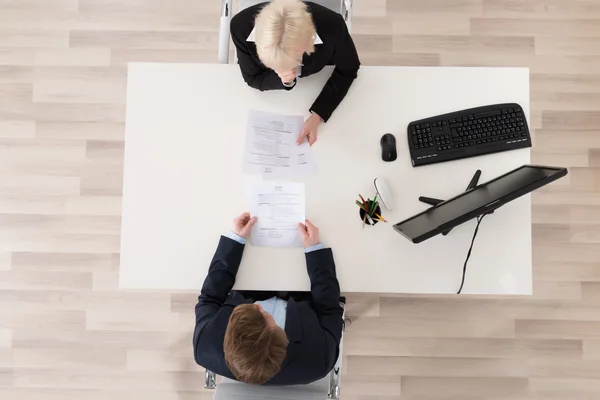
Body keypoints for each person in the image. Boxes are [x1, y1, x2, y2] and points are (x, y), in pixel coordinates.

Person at [193, 212, 343, 385]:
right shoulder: (320, 359)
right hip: (302, 297)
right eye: (265, 316)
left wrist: (236, 239)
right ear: (283, 338)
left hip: (249, 288)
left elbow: (210, 296)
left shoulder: (205, 346)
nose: (259, 307)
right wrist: (314, 249)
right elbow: (329, 308)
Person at [230, 0, 361, 146]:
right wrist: (285, 80)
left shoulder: (333, 26)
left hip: (320, 78)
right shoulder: (240, 27)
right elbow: (252, 77)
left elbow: (349, 68)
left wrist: (318, 115)